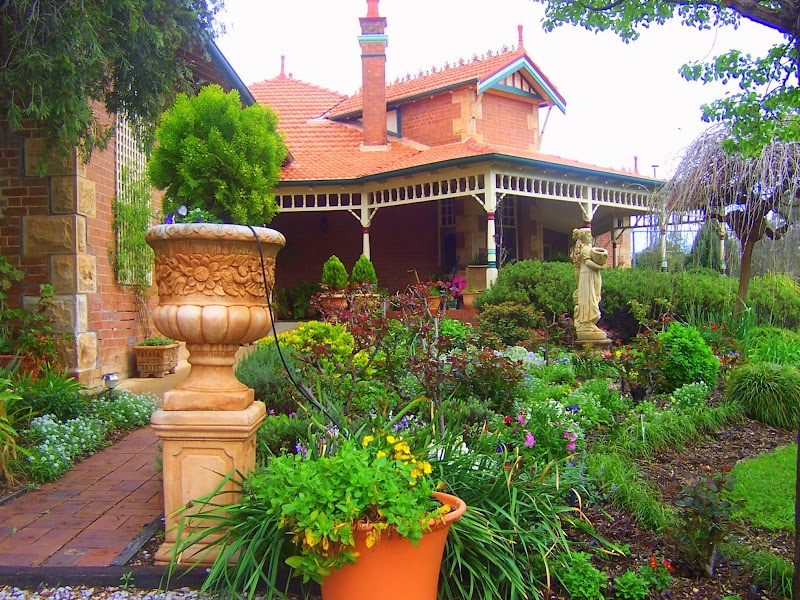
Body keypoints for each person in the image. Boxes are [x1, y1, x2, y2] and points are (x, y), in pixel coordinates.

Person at [571, 228, 608, 341]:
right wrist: (600, 267)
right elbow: (587, 262)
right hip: (587, 276)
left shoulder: (587, 248)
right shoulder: (585, 249)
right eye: (589, 235)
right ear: (583, 237)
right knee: (589, 299)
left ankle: (589, 324)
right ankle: (587, 323)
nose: (591, 237)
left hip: (590, 276)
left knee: (594, 298)